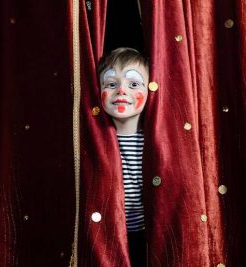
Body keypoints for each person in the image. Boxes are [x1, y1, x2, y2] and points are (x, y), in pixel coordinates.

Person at [98, 47, 149, 266]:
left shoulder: (157, 143)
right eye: (111, 84)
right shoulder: (94, 142)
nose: (121, 91)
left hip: (145, 237)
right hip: (106, 238)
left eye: (134, 84)